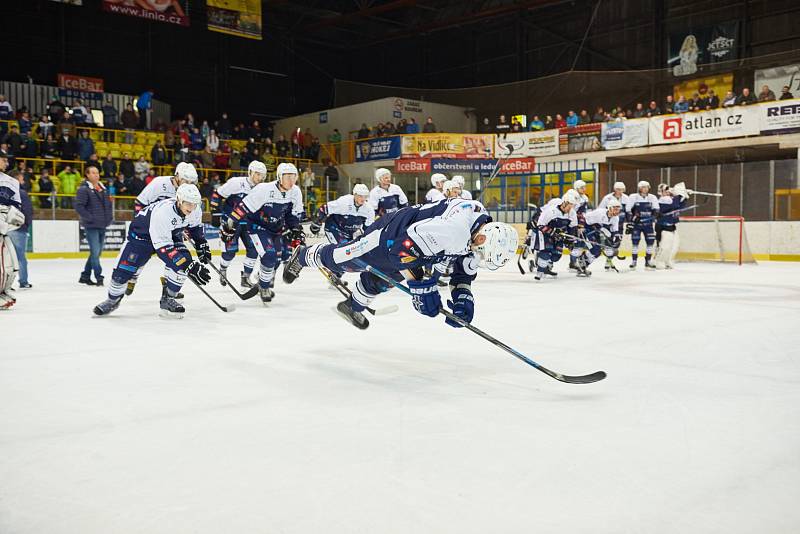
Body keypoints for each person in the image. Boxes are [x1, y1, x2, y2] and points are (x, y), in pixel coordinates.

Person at [281, 197, 518, 330]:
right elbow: (400, 252)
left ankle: (352, 306)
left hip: (415, 245)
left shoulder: (479, 229)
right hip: (388, 236)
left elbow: (463, 273)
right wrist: (422, 288)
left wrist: (464, 298)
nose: (480, 258)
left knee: (383, 281)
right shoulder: (454, 231)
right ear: (483, 238)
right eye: (484, 254)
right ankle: (302, 255)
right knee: (342, 260)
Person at [93, 184, 211, 318]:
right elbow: (164, 250)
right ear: (179, 200)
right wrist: (188, 266)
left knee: (182, 265)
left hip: (171, 235)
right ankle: (112, 300)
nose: (191, 207)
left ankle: (168, 299)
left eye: (194, 204)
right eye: (188, 203)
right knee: (121, 274)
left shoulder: (195, 210)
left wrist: (201, 243)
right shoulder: (163, 213)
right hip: (141, 237)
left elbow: (195, 228)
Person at [220, 162, 303, 305]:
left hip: (276, 228)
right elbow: (243, 207)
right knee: (269, 255)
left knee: (276, 260)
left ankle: (262, 278)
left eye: (293, 177)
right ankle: (264, 287)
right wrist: (230, 223)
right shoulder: (264, 189)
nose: (291, 181)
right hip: (257, 227)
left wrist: (295, 228)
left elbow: (291, 214)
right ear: (279, 177)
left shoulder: (295, 191)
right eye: (287, 177)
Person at [125, 162, 199, 296]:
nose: (188, 184)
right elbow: (140, 202)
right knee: (143, 254)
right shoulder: (159, 183)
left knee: (175, 256)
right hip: (151, 227)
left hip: (171, 229)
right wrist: (142, 225)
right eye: (184, 180)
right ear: (176, 176)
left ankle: (168, 285)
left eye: (191, 181)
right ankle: (133, 275)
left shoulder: (189, 192)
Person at [209, 160, 267, 288]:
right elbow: (217, 194)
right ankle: (223, 269)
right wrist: (215, 213)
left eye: (262, 175)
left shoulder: (263, 188)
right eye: (257, 174)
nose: (260, 177)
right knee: (231, 251)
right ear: (250, 172)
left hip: (250, 223)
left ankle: (246, 277)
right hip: (231, 221)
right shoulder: (236, 183)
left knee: (254, 250)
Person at [74, 164, 113, 286]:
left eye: (97, 173)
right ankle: (98, 276)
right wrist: (90, 218)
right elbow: (79, 206)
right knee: (95, 252)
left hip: (103, 224)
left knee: (96, 253)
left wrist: (109, 218)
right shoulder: (84, 189)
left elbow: (108, 205)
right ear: (87, 175)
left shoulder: (103, 188)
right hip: (91, 225)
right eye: (93, 173)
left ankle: (85, 276)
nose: (96, 175)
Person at [531, 190, 579, 280]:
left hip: (559, 236)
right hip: (546, 234)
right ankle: (540, 270)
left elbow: (572, 228)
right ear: (564, 203)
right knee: (546, 253)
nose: (570, 209)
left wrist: (570, 241)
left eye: (572, 207)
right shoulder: (551, 211)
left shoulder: (572, 213)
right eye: (570, 206)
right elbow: (540, 225)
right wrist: (552, 232)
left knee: (556, 256)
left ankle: (546, 265)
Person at [310, 183, 375, 247]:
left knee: (350, 251)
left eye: (365, 196)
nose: (363, 199)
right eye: (360, 196)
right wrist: (317, 222)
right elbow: (324, 208)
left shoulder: (369, 210)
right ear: (354, 195)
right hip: (334, 228)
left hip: (348, 233)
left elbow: (368, 228)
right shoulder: (344, 202)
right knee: (344, 249)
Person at [0, 153, 25, 308]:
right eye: (3, 160)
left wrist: (11, 216)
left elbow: (16, 207)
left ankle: (2, 291)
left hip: (1, 231)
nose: (6, 163)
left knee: (10, 265)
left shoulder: (11, 182)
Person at [571, 199, 621, 277]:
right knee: (595, 250)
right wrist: (580, 227)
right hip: (587, 230)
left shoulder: (615, 218)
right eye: (615, 208)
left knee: (597, 253)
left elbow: (614, 231)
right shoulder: (599, 213)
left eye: (618, 209)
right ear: (609, 208)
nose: (617, 211)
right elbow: (584, 218)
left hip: (596, 231)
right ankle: (579, 264)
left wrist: (616, 239)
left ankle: (582, 266)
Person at [654, 182, 690, 269]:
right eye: (665, 190)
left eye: (668, 189)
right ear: (661, 192)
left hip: (671, 226)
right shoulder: (663, 199)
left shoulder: (671, 199)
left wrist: (685, 197)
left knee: (674, 245)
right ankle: (658, 261)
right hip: (663, 226)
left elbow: (680, 206)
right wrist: (680, 195)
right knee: (664, 246)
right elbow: (675, 205)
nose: (667, 191)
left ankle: (667, 260)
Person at [625, 180, 660, 270]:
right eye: (643, 187)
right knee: (635, 242)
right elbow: (628, 210)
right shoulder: (633, 197)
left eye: (647, 187)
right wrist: (633, 219)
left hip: (648, 225)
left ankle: (648, 261)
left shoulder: (652, 197)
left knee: (650, 243)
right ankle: (634, 261)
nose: (646, 189)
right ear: (639, 188)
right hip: (637, 225)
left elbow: (656, 209)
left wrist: (654, 216)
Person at [6, 169, 32, 289]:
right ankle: (23, 281)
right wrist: (26, 225)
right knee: (21, 257)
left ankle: (7, 283)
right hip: (19, 228)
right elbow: (27, 210)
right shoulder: (21, 192)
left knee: (8, 258)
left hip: (7, 228)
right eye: (21, 178)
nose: (23, 181)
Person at [598, 181, 629, 270]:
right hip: (608, 223)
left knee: (617, 242)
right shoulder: (607, 198)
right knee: (609, 242)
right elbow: (600, 209)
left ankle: (610, 258)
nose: (620, 191)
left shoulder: (626, 198)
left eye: (622, 189)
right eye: (618, 189)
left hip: (620, 224)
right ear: (615, 189)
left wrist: (629, 222)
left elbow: (628, 211)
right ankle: (608, 260)